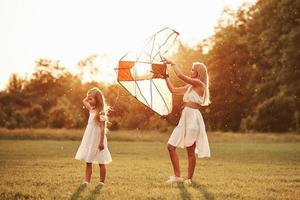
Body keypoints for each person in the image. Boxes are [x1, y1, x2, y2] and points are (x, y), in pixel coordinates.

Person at [162, 58, 211, 184]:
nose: (191, 71)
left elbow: (179, 75)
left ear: (198, 72)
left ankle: (189, 179)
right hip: (185, 118)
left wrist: (173, 63)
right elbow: (173, 90)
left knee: (190, 150)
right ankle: (177, 177)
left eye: (193, 69)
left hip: (193, 119)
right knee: (170, 146)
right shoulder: (191, 86)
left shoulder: (199, 84)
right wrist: (165, 76)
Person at [75, 87, 112, 186]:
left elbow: (102, 129)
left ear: (98, 100)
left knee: (101, 161)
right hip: (89, 138)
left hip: (98, 139)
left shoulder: (101, 113)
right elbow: (84, 101)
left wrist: (101, 142)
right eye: (89, 99)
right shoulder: (91, 109)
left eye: (91, 99)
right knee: (88, 160)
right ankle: (86, 181)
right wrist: (90, 95)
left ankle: (101, 182)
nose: (89, 101)